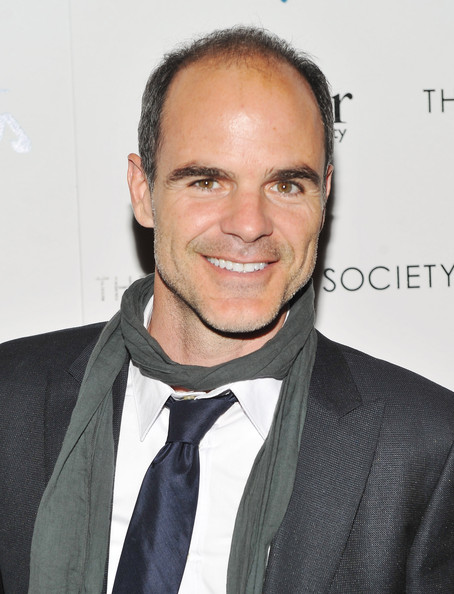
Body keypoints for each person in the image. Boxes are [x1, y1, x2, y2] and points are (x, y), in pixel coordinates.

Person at [1, 26, 453, 594]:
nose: (249, 224)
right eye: (208, 180)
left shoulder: (426, 450)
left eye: (286, 185)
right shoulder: (10, 403)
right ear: (143, 192)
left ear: (324, 195)